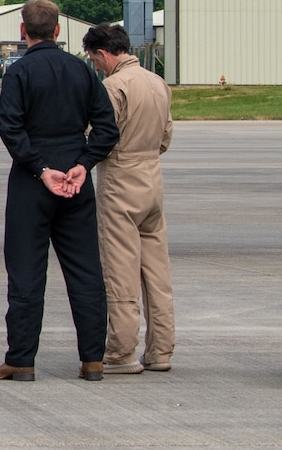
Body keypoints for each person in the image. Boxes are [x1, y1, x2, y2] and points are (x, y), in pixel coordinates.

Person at [0, 0, 119, 382]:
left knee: (26, 271)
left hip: (33, 178)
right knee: (86, 272)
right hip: (76, 177)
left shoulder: (20, 73)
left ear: (23, 31)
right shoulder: (82, 71)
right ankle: (93, 359)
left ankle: (22, 359)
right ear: (59, 31)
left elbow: (7, 125)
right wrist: (83, 164)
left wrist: (40, 168)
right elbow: (107, 128)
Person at [83, 23, 175, 374]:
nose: (95, 66)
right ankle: (161, 349)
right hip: (152, 175)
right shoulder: (157, 82)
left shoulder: (113, 86)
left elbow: (102, 134)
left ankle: (122, 351)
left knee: (120, 267)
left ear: (103, 54)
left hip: (121, 177)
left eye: (95, 59)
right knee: (156, 270)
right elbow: (166, 136)